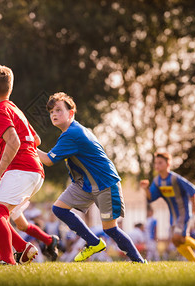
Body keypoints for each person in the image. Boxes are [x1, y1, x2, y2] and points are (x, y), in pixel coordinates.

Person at [37, 92, 146, 263]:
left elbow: (48, 160)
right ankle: (93, 242)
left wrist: (26, 145)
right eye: (51, 112)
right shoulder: (70, 132)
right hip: (86, 184)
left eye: (58, 110)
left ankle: (139, 262)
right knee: (58, 208)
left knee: (110, 229)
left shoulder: (72, 133)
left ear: (71, 113)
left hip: (105, 183)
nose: (54, 114)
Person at [0, 65, 45, 265]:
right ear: (10, 90)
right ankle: (24, 248)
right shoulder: (14, 108)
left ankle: (8, 262)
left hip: (23, 170)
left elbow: (14, 142)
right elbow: (36, 139)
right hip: (31, 170)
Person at [0, 138, 59, 261]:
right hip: (4, 187)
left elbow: (36, 142)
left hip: (16, 185)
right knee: (20, 224)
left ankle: (13, 254)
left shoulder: (17, 139)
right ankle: (47, 240)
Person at [140, 152, 195, 262]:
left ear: (168, 164)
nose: (157, 165)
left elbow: (192, 190)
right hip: (173, 216)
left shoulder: (175, 178)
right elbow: (151, 197)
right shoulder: (157, 181)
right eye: (155, 163)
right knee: (177, 241)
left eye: (160, 163)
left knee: (177, 237)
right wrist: (146, 189)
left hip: (184, 213)